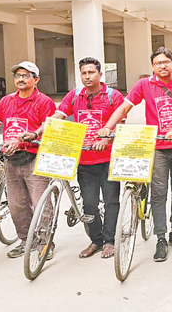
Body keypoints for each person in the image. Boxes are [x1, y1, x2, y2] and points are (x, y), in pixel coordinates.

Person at [98, 47, 172, 262]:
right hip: (157, 147)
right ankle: (161, 237)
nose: (162, 66)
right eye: (158, 63)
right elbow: (124, 107)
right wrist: (108, 127)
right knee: (158, 194)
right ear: (152, 66)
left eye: (166, 62)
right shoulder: (144, 84)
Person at [29, 57, 124, 259]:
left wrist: (106, 140)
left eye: (91, 72)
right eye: (84, 73)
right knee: (89, 205)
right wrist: (37, 132)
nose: (87, 76)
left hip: (108, 159)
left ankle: (110, 241)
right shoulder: (74, 96)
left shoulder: (112, 96)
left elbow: (120, 123)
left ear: (100, 74)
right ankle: (96, 240)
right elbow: (57, 116)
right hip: (84, 160)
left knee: (111, 201)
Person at [0, 61, 57, 258]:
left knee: (41, 203)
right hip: (11, 160)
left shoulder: (44, 102)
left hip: (35, 159)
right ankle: (26, 241)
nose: (20, 79)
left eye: (26, 75)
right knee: (17, 205)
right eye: (17, 76)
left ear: (36, 79)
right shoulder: (6, 102)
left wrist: (25, 141)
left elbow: (49, 131)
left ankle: (44, 242)